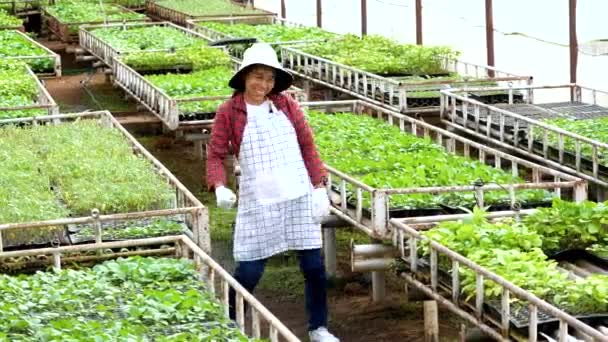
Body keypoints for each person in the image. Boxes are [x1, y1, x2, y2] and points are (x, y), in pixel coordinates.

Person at [206, 43, 339, 342]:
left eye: (269, 78)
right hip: (260, 199)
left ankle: (319, 328)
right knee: (250, 270)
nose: (263, 84)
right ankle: (227, 323)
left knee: (314, 267)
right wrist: (219, 185)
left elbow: (307, 147)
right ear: (244, 77)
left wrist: (319, 187)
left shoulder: (286, 105)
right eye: (257, 76)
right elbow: (215, 154)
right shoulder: (230, 111)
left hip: (297, 195)